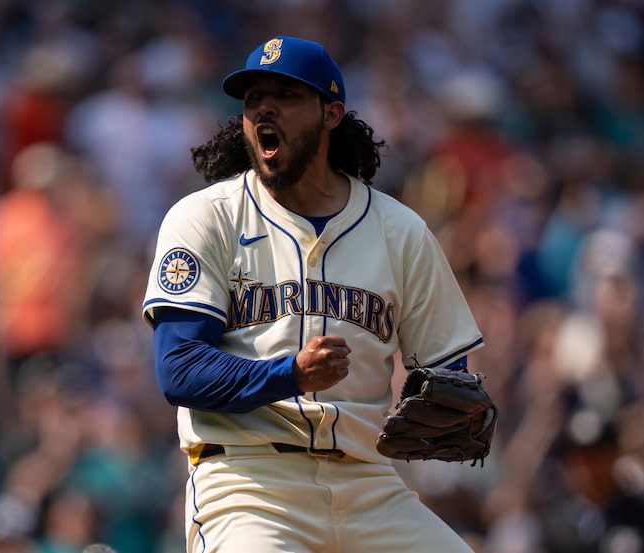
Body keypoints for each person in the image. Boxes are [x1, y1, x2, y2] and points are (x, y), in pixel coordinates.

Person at [141, 36, 485, 553]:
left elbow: (447, 371)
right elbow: (179, 370)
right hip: (249, 485)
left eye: (286, 94)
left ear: (331, 114)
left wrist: (456, 401)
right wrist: (290, 374)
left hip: (370, 487)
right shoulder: (206, 217)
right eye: (254, 97)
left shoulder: (399, 230)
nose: (264, 108)